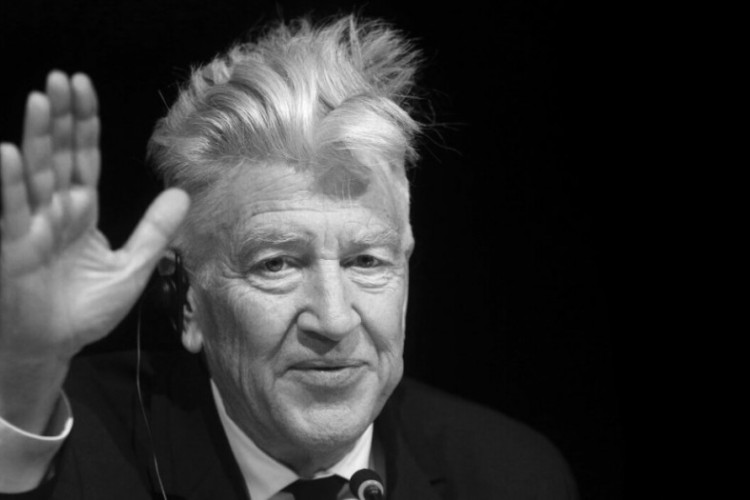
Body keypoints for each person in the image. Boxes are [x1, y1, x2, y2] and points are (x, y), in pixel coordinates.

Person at [0, 15, 578, 499]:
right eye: (276, 264)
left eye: (367, 262)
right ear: (188, 303)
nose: (334, 320)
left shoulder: (511, 474)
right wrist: (27, 368)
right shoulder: (76, 448)